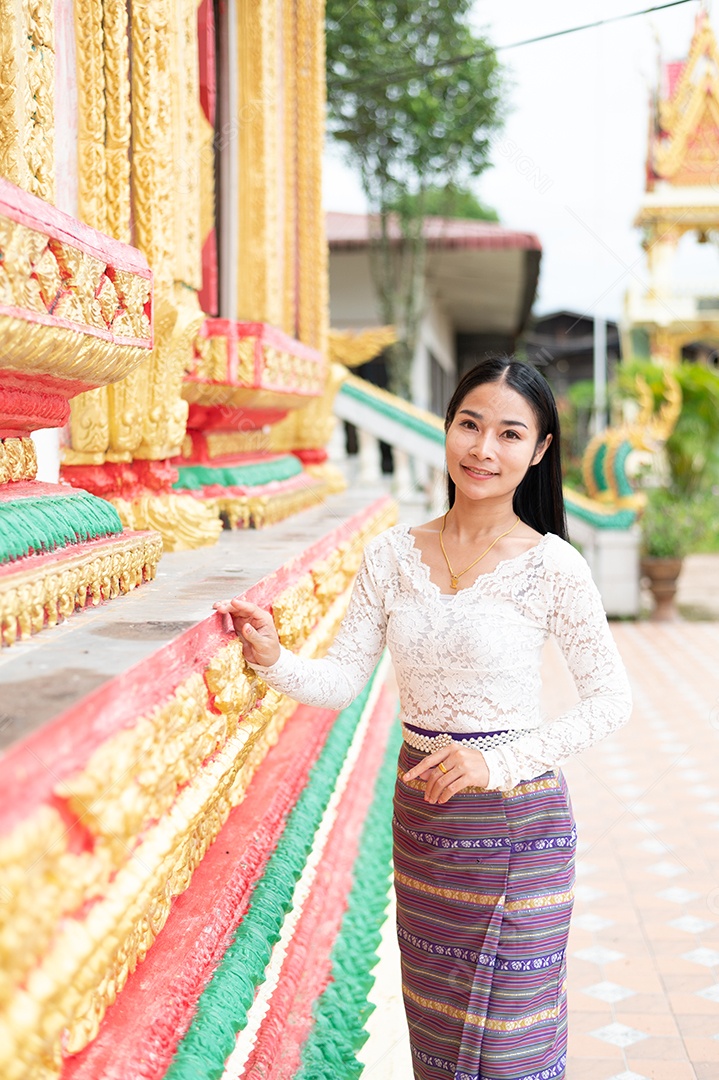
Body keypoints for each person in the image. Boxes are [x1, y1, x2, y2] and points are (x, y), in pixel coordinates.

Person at [213, 356, 632, 1080]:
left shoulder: (552, 566)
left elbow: (610, 700)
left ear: (537, 452)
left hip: (516, 826)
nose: (482, 449)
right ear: (446, 431)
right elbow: (344, 677)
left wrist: (493, 762)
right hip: (426, 826)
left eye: (507, 434)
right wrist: (273, 657)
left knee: (507, 1049)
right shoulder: (391, 556)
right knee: (438, 1038)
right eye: (469, 425)